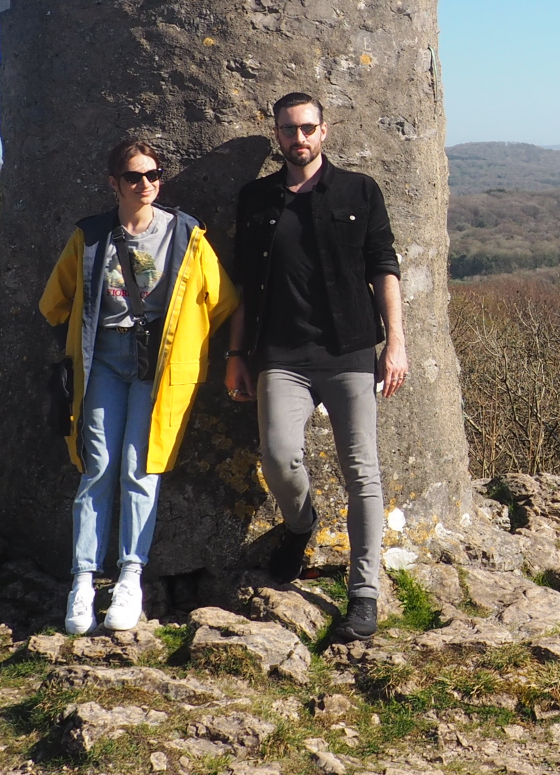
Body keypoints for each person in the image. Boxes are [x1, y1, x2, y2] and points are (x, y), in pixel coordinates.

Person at [224, 91, 408, 644]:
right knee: (278, 455)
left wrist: (394, 343)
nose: (298, 138)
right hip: (280, 353)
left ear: (324, 132)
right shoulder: (256, 198)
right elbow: (242, 288)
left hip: (350, 350)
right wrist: (236, 355)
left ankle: (364, 593)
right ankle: (301, 524)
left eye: (307, 128)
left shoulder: (358, 190)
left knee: (362, 472)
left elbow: (384, 268)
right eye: (288, 130)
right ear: (276, 135)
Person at [40, 137, 239, 635]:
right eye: (134, 177)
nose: (145, 184)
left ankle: (131, 577)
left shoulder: (186, 236)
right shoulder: (88, 237)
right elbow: (53, 302)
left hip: (159, 365)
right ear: (115, 183)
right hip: (102, 360)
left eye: (153, 175)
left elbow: (222, 301)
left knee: (141, 467)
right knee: (97, 466)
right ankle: (83, 581)